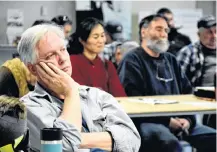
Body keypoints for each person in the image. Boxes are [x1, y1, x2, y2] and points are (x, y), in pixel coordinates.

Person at [17, 24, 140, 152]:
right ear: (32, 68)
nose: (63, 59)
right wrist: (71, 92)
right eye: (50, 55)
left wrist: (78, 140)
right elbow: (65, 147)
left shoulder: (97, 95)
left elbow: (132, 141)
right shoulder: (27, 109)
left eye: (63, 50)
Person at [118, 14, 216, 152]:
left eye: (165, 30)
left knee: (214, 139)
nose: (163, 34)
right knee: (168, 143)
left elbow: (187, 93)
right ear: (143, 32)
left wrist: (187, 120)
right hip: (148, 122)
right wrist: (168, 121)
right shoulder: (132, 60)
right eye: (158, 29)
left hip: (181, 121)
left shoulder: (171, 60)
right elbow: (133, 99)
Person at [69, 17, 126, 97]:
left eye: (102, 36)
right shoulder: (72, 62)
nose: (101, 41)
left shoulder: (107, 65)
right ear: (82, 40)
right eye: (95, 37)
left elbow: (120, 95)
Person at [177, 15, 216, 87]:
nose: (214, 36)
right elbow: (178, 80)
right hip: (200, 94)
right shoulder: (187, 52)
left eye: (216, 31)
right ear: (199, 34)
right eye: (209, 32)